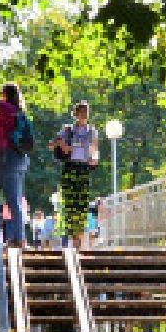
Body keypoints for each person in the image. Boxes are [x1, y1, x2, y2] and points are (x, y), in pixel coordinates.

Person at [51, 101, 99, 247]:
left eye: (86, 112)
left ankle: (78, 237)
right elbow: (52, 144)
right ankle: (72, 237)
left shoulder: (92, 131)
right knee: (69, 203)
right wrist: (63, 145)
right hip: (69, 167)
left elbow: (95, 149)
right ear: (75, 114)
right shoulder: (67, 130)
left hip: (83, 168)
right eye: (81, 112)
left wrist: (95, 159)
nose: (84, 115)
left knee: (82, 203)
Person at [0, 82, 31, 247]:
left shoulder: (7, 108)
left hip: (9, 157)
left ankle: (19, 239)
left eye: (2, 93)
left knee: (13, 200)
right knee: (15, 199)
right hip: (20, 157)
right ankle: (15, 237)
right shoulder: (16, 112)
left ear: (5, 95)